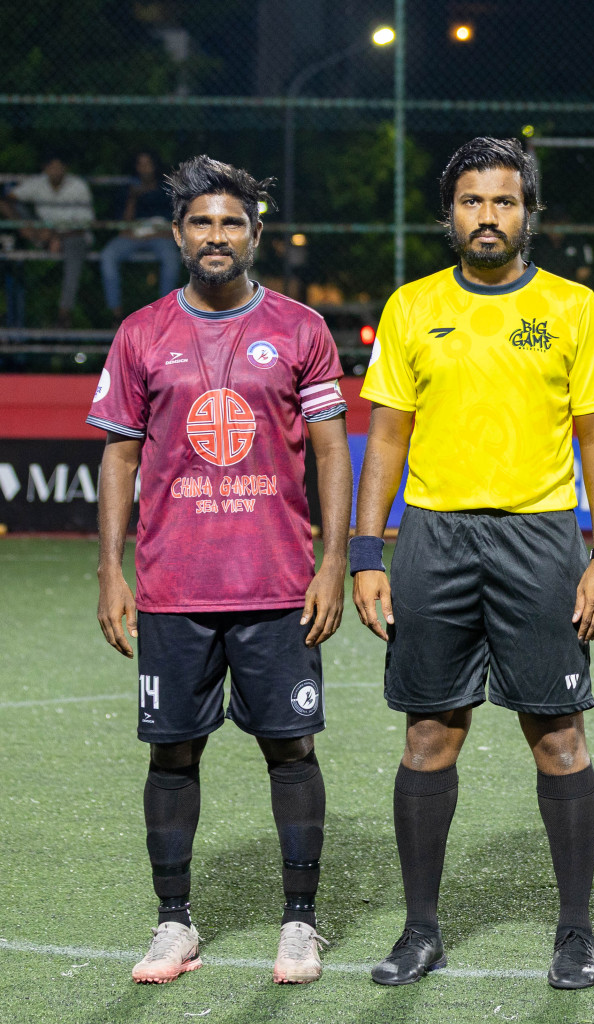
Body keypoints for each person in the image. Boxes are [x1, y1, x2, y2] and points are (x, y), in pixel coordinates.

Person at [351, 137, 594, 990]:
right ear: (451, 214)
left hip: (541, 540)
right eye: (473, 201)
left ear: (529, 214)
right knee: (430, 734)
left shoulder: (574, 307)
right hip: (434, 540)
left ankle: (574, 933)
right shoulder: (410, 307)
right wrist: (368, 553)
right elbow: (386, 438)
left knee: (560, 738)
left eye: (505, 202)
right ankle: (420, 930)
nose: (488, 216)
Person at [89, 156, 352, 986]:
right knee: (172, 756)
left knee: (291, 749)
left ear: (255, 234)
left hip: (277, 586)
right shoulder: (139, 335)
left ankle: (300, 926)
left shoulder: (303, 329)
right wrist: (110, 569)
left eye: (231, 223)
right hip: (173, 587)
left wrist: (334, 561)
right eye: (202, 223)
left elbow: (332, 453)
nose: (216, 236)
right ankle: (175, 925)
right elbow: (119, 458)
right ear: (178, 235)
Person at [2, 156, 94, 326]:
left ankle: (64, 313)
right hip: (43, 234)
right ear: (45, 168)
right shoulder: (38, 182)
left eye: (59, 167)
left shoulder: (77, 186)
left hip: (72, 236)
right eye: (51, 167)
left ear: (66, 168)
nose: (56, 171)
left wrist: (57, 236)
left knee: (74, 256)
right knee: (14, 208)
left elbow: (86, 224)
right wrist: (24, 226)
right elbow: (6, 200)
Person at [101, 152, 182, 321]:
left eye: (148, 163)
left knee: (171, 258)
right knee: (108, 255)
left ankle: (165, 314)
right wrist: (133, 197)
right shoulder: (127, 189)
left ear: (155, 166)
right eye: (140, 164)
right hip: (134, 235)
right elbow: (123, 227)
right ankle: (115, 314)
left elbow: (176, 226)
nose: (144, 168)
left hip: (161, 235)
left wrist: (160, 233)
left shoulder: (167, 189)